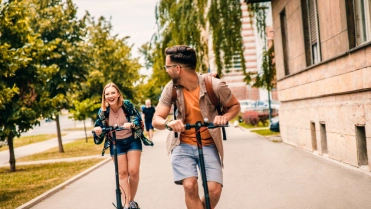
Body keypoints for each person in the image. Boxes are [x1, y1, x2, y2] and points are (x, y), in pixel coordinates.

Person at [152, 45, 240, 209]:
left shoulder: (215, 85)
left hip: (209, 144)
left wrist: (224, 117)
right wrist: (168, 123)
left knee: (214, 191)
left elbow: (235, 106)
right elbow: (156, 119)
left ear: (177, 68)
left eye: (167, 67)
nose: (166, 70)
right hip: (182, 144)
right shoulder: (171, 88)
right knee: (190, 186)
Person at [93, 82, 151, 209]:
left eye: (113, 93)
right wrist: (98, 131)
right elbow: (99, 132)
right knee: (123, 173)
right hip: (116, 143)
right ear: (104, 96)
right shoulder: (103, 111)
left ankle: (131, 201)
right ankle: (126, 205)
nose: (110, 96)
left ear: (118, 94)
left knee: (133, 171)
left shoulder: (127, 105)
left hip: (132, 140)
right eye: (107, 94)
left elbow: (137, 119)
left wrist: (131, 124)